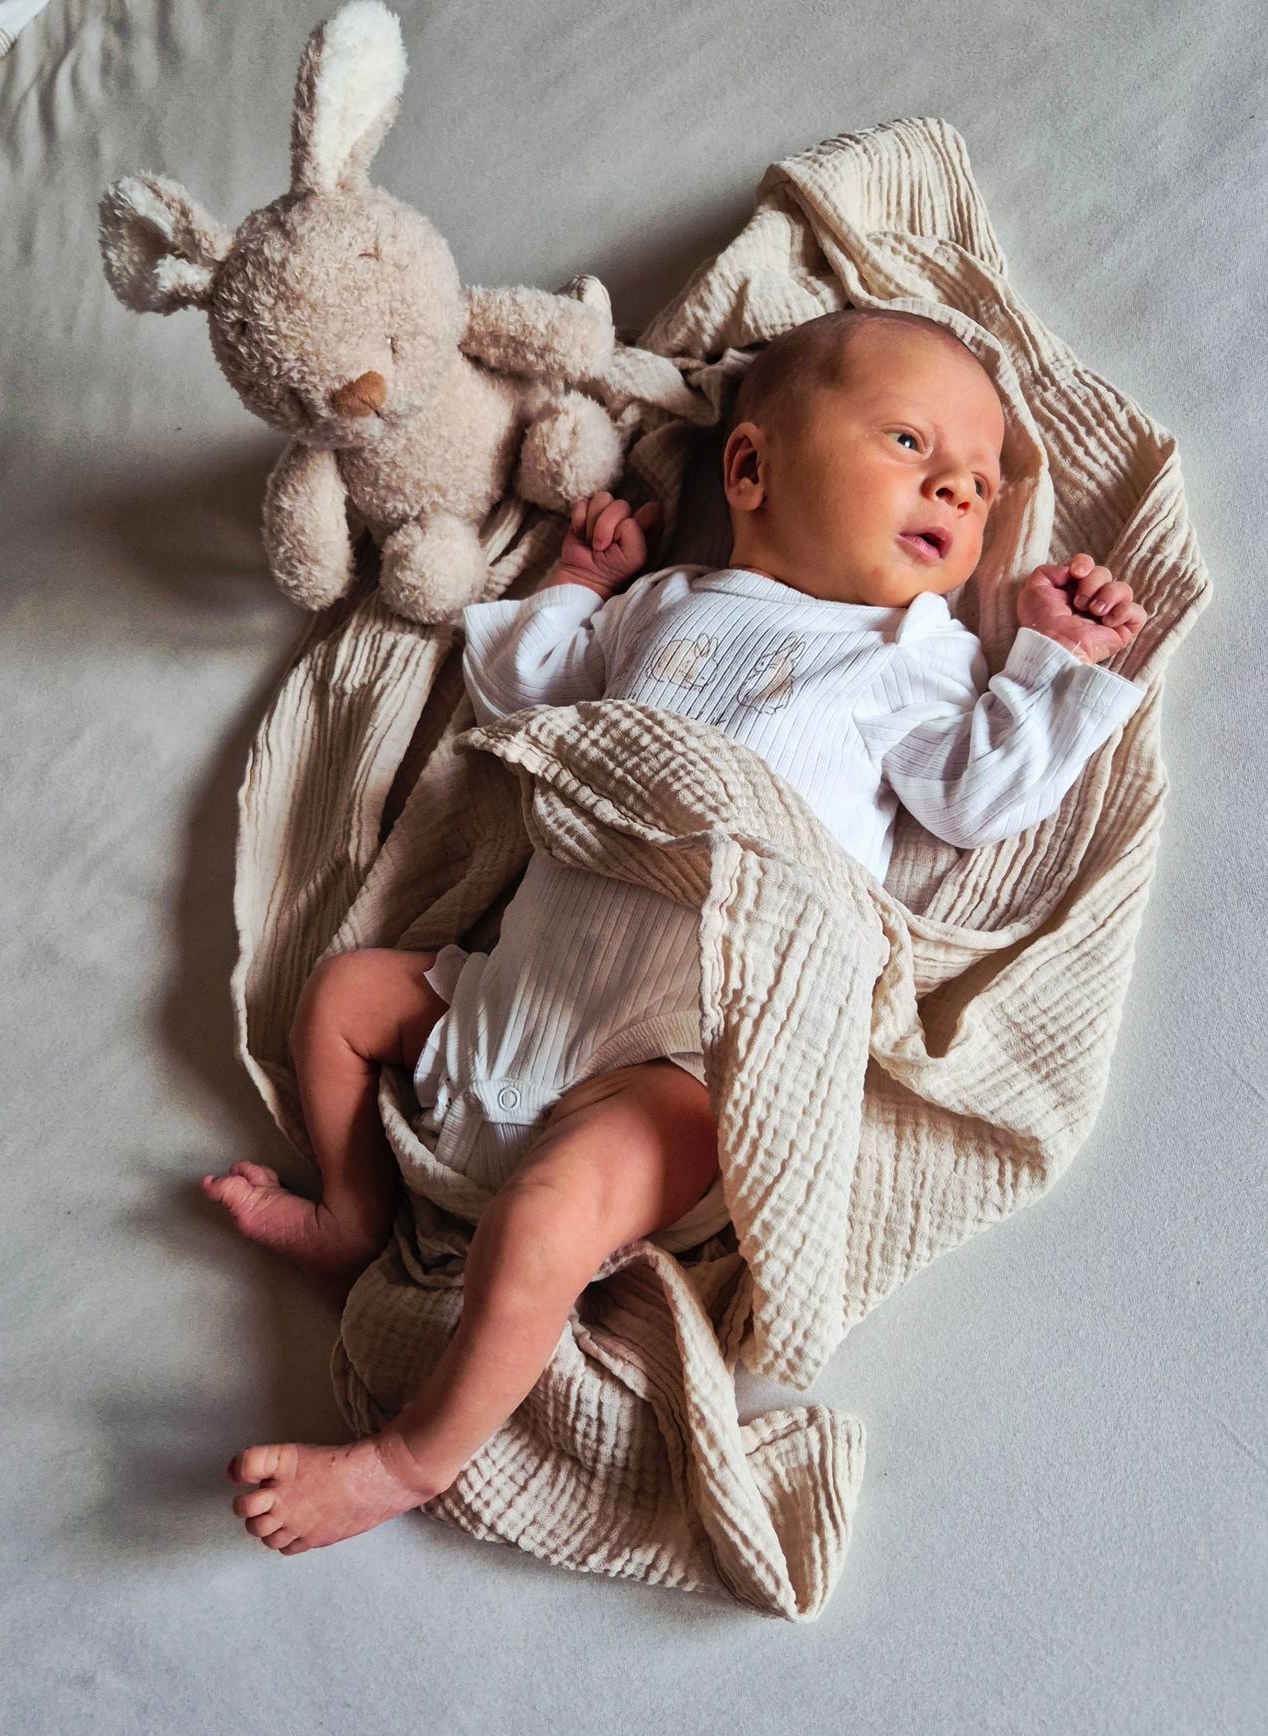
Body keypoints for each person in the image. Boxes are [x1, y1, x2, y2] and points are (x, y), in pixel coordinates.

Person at [203, 306, 1148, 1554]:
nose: (955, 490)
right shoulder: (667, 604)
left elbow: (978, 799)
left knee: (547, 1217)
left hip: (676, 1062)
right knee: (340, 1000)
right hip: (509, 993)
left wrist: (1051, 662)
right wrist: (579, 584)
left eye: (975, 485)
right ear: (748, 470)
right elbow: (524, 695)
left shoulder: (911, 658)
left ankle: (406, 1458)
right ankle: (352, 1216)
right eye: (912, 442)